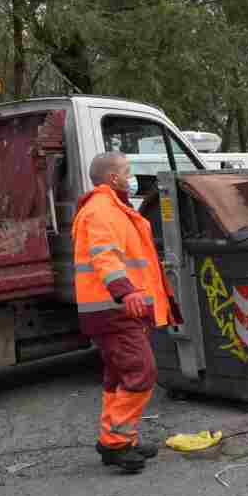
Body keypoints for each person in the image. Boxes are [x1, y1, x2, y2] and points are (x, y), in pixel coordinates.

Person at [72, 152, 175, 472]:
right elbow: (106, 256)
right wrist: (126, 291)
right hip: (114, 309)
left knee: (119, 376)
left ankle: (118, 439)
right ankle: (117, 443)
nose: (131, 178)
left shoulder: (112, 209)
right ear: (113, 178)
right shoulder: (102, 211)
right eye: (128, 172)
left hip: (117, 310)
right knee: (141, 372)